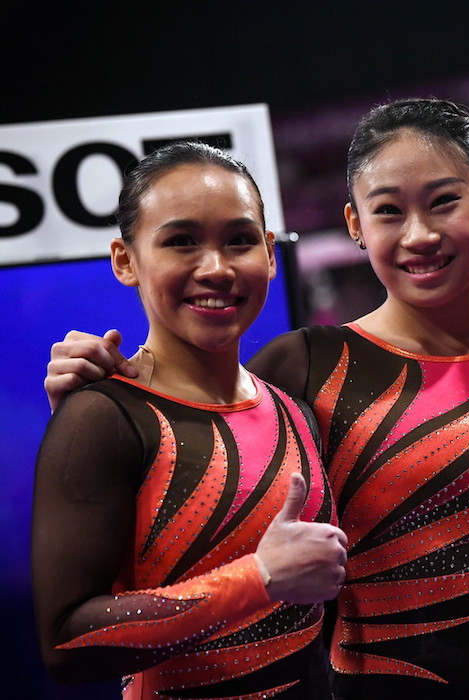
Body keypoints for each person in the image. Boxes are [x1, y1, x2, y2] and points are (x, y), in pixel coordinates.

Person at [43, 99, 469, 700]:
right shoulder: (302, 368)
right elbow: (190, 460)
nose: (420, 234)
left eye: (444, 201)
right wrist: (117, 382)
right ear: (355, 224)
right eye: (388, 211)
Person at [32, 141, 349, 698]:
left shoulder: (294, 411)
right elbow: (65, 647)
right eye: (181, 242)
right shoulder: (99, 418)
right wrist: (259, 578)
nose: (217, 268)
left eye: (240, 241)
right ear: (125, 261)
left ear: (270, 254)